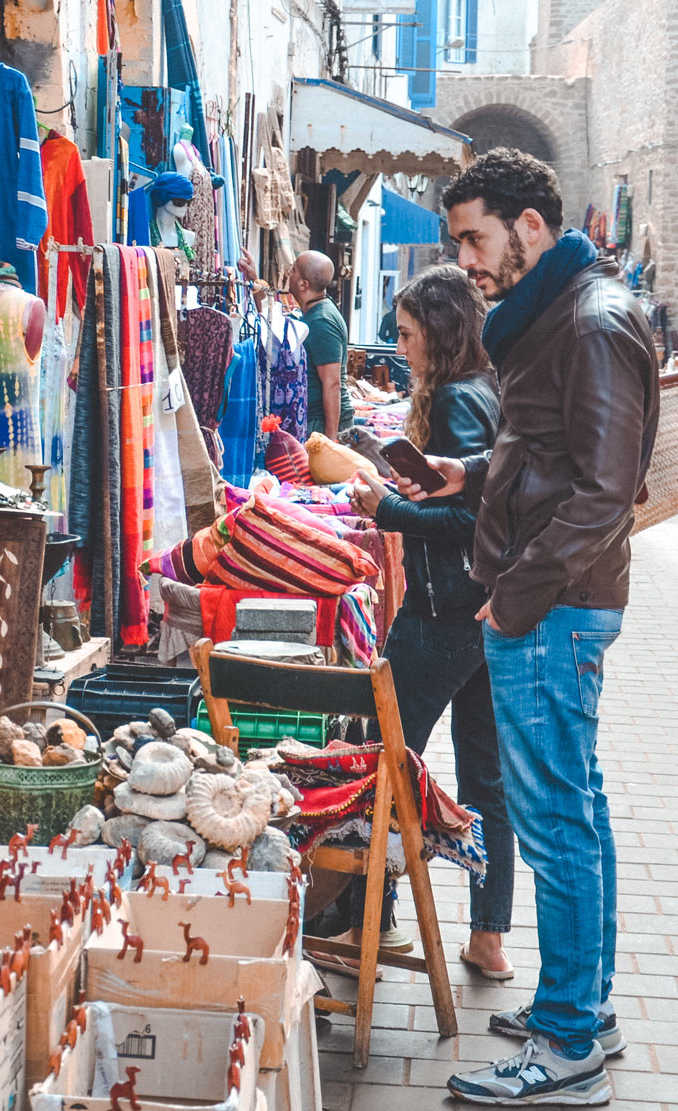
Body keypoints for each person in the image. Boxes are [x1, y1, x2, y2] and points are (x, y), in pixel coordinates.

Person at [399, 149, 659, 1105]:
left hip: (551, 606)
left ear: (532, 226)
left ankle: (564, 1048)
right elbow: (549, 450)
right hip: (550, 601)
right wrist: (467, 477)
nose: (465, 257)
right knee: (573, 814)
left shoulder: (589, 322)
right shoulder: (558, 316)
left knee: (557, 824)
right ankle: (581, 1010)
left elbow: (602, 494)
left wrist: (511, 598)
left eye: (475, 235)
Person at [347, 264, 514, 980]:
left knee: (383, 755)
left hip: (445, 609)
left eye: (410, 334)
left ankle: (372, 919)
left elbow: (470, 516)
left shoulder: (455, 401)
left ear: (439, 335)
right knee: (485, 775)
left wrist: (385, 507)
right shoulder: (485, 389)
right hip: (481, 613)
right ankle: (489, 937)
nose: (402, 346)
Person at [287, 250, 354, 439]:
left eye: (293, 270)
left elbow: (332, 383)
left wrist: (330, 440)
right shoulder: (316, 311)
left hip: (321, 423)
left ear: (303, 284)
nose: (288, 273)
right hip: (316, 419)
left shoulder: (321, 320)